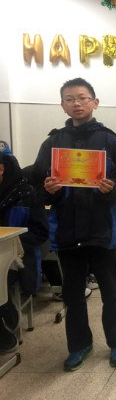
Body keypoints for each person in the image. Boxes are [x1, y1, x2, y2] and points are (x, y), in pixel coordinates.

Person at [31, 78, 116, 371]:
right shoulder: (53, 142)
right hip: (67, 231)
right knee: (73, 294)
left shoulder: (111, 141)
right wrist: (49, 190)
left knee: (111, 292)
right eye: (69, 99)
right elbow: (36, 185)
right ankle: (79, 345)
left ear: (94, 102)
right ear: (62, 105)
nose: (76, 103)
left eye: (82, 97)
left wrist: (112, 189)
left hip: (104, 230)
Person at [0, 141, 48, 353]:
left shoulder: (27, 194)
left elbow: (40, 232)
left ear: (2, 169)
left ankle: (5, 332)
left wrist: (12, 241)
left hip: (17, 259)